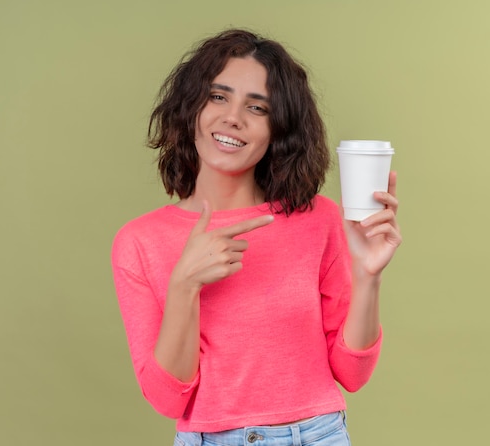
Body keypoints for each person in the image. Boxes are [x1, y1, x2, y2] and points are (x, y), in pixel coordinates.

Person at [111, 28, 402, 446]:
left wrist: (369, 275)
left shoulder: (319, 220)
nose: (233, 117)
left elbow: (352, 375)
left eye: (258, 107)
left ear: (277, 130)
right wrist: (184, 284)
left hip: (317, 435)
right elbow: (167, 400)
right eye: (218, 96)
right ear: (191, 107)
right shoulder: (140, 241)